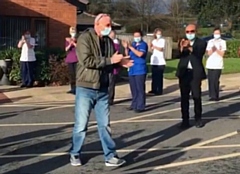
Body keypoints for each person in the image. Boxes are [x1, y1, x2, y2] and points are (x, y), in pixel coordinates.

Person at [70, 13, 133, 167]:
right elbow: (87, 61)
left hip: (103, 88)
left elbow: (111, 60)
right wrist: (111, 60)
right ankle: (75, 153)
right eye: (106, 25)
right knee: (81, 125)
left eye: (110, 25)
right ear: (97, 25)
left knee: (105, 125)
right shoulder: (85, 39)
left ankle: (110, 156)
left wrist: (120, 63)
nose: (109, 28)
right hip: (86, 87)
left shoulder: (108, 41)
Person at [176, 24, 207, 129]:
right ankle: (185, 120)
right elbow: (178, 55)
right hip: (184, 73)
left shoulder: (201, 43)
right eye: (187, 32)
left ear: (196, 31)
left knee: (196, 96)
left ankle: (198, 119)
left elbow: (198, 54)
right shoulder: (182, 41)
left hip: (195, 73)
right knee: (184, 98)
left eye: (191, 31)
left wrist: (189, 47)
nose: (189, 33)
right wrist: (181, 47)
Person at [122, 29, 148, 113]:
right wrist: (126, 48)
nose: (136, 37)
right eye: (135, 36)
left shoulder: (143, 45)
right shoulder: (133, 44)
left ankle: (140, 106)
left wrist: (130, 47)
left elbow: (140, 54)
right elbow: (127, 55)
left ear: (141, 36)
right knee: (133, 88)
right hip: (132, 68)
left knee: (139, 88)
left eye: (138, 36)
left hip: (140, 69)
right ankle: (134, 104)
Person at [206, 27, 226, 101]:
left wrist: (216, 49)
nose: (216, 35)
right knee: (210, 80)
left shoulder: (222, 42)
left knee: (215, 80)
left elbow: (222, 54)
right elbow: (208, 53)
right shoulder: (210, 41)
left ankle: (216, 95)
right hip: (210, 63)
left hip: (218, 64)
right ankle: (211, 95)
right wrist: (212, 49)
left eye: (218, 33)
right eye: (215, 33)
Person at [148, 28, 166, 95]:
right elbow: (152, 49)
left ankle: (159, 90)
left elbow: (161, 49)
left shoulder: (162, 40)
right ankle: (154, 89)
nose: (159, 35)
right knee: (154, 76)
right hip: (154, 61)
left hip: (160, 61)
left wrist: (154, 46)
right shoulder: (154, 41)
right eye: (158, 33)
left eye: (160, 34)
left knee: (159, 76)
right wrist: (151, 46)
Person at [108, 30, 120, 105]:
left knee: (111, 83)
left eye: (113, 34)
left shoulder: (115, 43)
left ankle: (110, 99)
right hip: (107, 65)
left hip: (113, 67)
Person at [65, 27, 78, 95]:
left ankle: (77, 88)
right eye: (71, 31)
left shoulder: (78, 39)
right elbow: (66, 49)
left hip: (76, 59)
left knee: (76, 74)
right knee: (71, 74)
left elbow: (79, 47)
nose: (73, 32)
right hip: (70, 59)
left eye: (74, 31)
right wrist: (70, 43)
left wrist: (74, 43)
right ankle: (72, 88)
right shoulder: (67, 40)